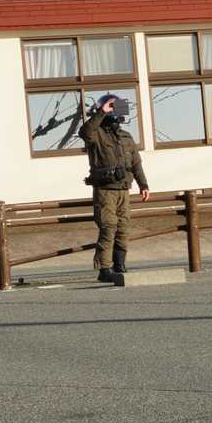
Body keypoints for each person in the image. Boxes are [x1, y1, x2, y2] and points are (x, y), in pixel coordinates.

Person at [79, 94, 149, 283]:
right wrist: (101, 112)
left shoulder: (126, 137)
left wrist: (143, 185)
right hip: (105, 190)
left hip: (123, 189)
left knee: (123, 227)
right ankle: (105, 269)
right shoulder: (96, 134)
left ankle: (120, 265)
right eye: (112, 107)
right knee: (108, 227)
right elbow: (84, 132)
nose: (114, 111)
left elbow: (136, 164)